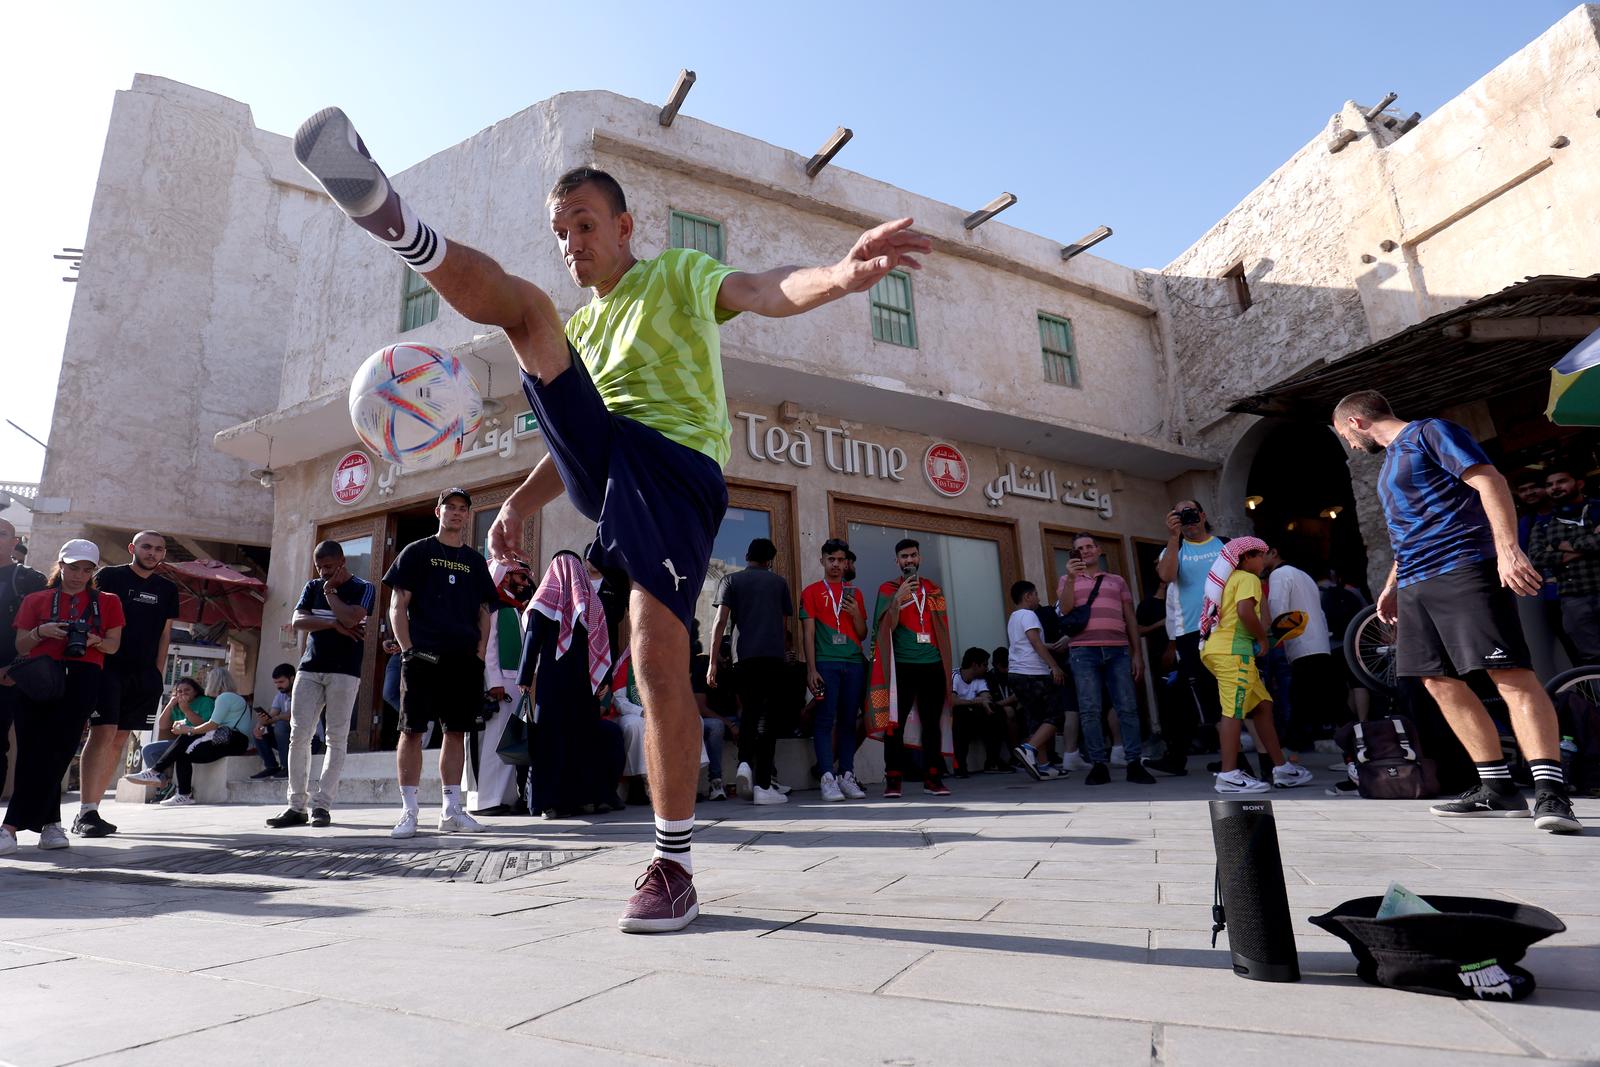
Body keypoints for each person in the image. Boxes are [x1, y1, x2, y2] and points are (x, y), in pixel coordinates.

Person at [295, 106, 928, 932]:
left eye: (585, 224)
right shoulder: (582, 326)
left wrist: (837, 278)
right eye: (560, 231)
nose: (572, 243)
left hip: (673, 470)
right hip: (608, 463)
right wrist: (515, 506)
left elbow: (766, 286)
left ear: (626, 226)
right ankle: (393, 219)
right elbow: (571, 441)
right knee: (528, 313)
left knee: (654, 652)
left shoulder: (679, 277)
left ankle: (673, 862)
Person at [1332, 390, 1581, 832]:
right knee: (1438, 682)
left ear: (1355, 423)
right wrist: (1391, 587)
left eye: (1344, 437)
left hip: (1463, 565)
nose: (1350, 447)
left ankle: (1551, 793)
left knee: (1508, 674)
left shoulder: (1431, 432)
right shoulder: (1390, 463)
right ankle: (1498, 788)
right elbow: (1407, 531)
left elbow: (1490, 481)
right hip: (1414, 581)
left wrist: (1507, 549)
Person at [382, 488, 499, 838]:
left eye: (463, 509)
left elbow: (484, 611)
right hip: (423, 656)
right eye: (451, 507)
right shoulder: (417, 552)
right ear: (438, 511)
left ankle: (451, 810)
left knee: (457, 732)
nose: (457, 513)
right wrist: (408, 648)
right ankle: (409, 811)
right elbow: (397, 604)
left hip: (463, 660)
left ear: (467, 516)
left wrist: (479, 653)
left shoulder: (475, 562)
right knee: (413, 730)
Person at [0, 540, 124, 854]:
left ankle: (10, 826)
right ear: (61, 564)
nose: (79, 574)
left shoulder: (107, 602)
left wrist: (94, 639)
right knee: (33, 752)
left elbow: (113, 646)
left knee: (59, 751)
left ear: (94, 571)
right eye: (73, 567)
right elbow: (21, 646)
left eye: (87, 569)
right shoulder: (37, 599)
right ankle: (51, 825)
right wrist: (43, 632)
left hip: (83, 676)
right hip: (39, 676)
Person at [265, 541, 376, 830]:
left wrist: (331, 595)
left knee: (336, 739)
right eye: (320, 567)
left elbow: (354, 616)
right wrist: (333, 625)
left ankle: (322, 805)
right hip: (310, 668)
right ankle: (295, 806)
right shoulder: (311, 586)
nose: (324, 572)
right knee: (298, 736)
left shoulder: (363, 587)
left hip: (345, 671)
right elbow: (298, 620)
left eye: (329, 566)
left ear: (342, 561)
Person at [76, 531, 179, 838]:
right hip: (107, 667)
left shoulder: (167, 588)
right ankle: (85, 811)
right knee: (103, 733)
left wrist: (157, 673)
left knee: (120, 739)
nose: (152, 552)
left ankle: (93, 809)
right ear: (133, 548)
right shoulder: (109, 576)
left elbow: (165, 633)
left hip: (144, 675)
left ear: (163, 554)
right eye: (146, 546)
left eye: (158, 549)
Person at [1198, 538, 1315, 794]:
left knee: (1262, 706)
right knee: (1233, 711)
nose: (1264, 561)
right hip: (1234, 653)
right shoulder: (1248, 579)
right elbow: (1244, 612)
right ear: (1247, 557)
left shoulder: (1228, 580)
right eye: (1260, 555)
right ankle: (1228, 776)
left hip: (1216, 649)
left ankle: (1282, 768)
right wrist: (1263, 638)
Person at [522, 551, 627, 819]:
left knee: (551, 739)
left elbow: (532, 641)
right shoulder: (591, 604)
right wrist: (604, 679)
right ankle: (584, 799)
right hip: (584, 684)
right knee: (583, 737)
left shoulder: (543, 601)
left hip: (553, 682)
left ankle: (551, 803)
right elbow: (602, 646)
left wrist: (524, 678)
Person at [1064, 534, 1156, 785]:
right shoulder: (1066, 579)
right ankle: (1098, 765)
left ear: (1099, 550)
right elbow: (1065, 609)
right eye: (1079, 548)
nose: (1085, 551)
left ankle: (1134, 763)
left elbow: (1130, 619)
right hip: (1083, 651)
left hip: (1118, 650)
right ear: (1074, 554)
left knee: (1127, 707)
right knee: (1089, 709)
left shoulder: (1117, 581)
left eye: (1089, 546)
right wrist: (1072, 578)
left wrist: (1138, 653)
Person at [708, 539, 794, 805]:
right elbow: (782, 626)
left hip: (742, 657)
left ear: (747, 556)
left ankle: (744, 763)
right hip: (772, 657)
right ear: (770, 560)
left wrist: (712, 662)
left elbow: (720, 621)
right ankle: (764, 785)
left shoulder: (730, 581)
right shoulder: (779, 583)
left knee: (749, 711)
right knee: (767, 719)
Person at [868, 539, 954, 797]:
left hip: (932, 665)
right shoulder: (888, 588)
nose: (909, 560)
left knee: (931, 724)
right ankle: (893, 779)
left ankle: (933, 777)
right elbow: (885, 628)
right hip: (902, 667)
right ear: (897, 561)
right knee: (894, 724)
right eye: (903, 557)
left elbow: (941, 628)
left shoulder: (934, 589)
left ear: (920, 558)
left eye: (913, 555)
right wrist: (898, 599)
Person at [1147, 499, 1226, 776]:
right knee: (1207, 698)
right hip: (1192, 634)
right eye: (1180, 515)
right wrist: (1172, 537)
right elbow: (1167, 577)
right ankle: (1231, 761)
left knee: (1233, 695)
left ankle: (1239, 760)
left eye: (1191, 512)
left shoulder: (1225, 545)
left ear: (1203, 515)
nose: (1188, 518)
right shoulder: (1174, 549)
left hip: (1227, 630)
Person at [799, 538, 869, 801]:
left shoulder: (856, 593)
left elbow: (861, 634)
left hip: (853, 662)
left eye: (841, 560)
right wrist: (811, 669)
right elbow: (808, 633)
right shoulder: (811, 592)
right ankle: (827, 777)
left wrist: (856, 615)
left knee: (849, 721)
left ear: (846, 562)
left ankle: (847, 775)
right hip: (826, 663)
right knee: (825, 719)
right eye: (831, 559)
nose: (836, 565)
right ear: (822, 561)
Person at [1263, 548, 1349, 750]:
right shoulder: (1303, 575)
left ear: (1274, 553)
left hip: (1302, 645)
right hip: (1318, 642)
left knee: (1307, 700)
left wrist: (1268, 637)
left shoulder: (1279, 574)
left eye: (1260, 554)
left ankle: (1294, 751)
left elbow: (1277, 609)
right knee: (1325, 698)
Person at [469, 559, 533, 816]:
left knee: (507, 743)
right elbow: (489, 649)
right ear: (506, 577)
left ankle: (504, 798)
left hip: (512, 684)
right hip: (499, 685)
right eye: (521, 578)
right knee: (494, 743)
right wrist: (493, 682)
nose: (525, 584)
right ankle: (486, 800)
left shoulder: (513, 607)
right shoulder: (493, 607)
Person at [142, 668, 254, 806]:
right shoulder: (231, 697)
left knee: (186, 737)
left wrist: (190, 730)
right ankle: (183, 794)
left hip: (233, 740)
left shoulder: (225, 697)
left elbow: (212, 725)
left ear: (214, 682)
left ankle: (155, 771)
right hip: (231, 740)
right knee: (183, 753)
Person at [1528, 464, 1600, 664]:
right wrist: (1589, 545)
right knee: (1592, 658)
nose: (1555, 487)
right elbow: (1536, 557)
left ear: (1579, 483)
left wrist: (1561, 545)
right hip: (1573, 600)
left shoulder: (1597, 509)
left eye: (1561, 481)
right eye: (1550, 484)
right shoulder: (1543, 523)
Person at [0, 518, 46, 802]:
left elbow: (40, 630)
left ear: (14, 542)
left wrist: (15, 667)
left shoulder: (30, 580)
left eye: (2, 534)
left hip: (8, 677)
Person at [1006, 580, 1068, 782]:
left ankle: (1043, 766)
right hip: (1033, 674)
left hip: (1016, 674)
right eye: (1036, 594)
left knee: (1037, 719)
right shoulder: (1029, 615)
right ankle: (1028, 748)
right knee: (1056, 716)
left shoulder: (1014, 617)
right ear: (1027, 597)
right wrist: (1054, 666)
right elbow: (1034, 642)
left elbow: (1029, 643)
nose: (1038, 599)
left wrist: (1049, 646)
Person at [950, 647, 999, 778]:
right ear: (974, 665)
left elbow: (986, 697)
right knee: (961, 714)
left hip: (973, 716)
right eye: (984, 665)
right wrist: (975, 701)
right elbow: (952, 702)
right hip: (956, 718)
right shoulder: (955, 676)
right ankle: (960, 765)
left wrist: (984, 703)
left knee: (996, 714)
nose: (986, 668)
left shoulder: (980, 679)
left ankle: (993, 761)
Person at [251, 664, 295, 780]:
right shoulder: (280, 696)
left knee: (280, 726)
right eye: (276, 683)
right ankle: (271, 766)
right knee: (260, 730)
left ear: (292, 678)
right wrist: (260, 724)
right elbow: (272, 714)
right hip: (289, 741)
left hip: (310, 741)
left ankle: (286, 767)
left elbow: (292, 716)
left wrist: (274, 719)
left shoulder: (302, 693)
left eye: (281, 682)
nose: (278, 686)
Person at [986, 646, 1019, 772]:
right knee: (1008, 712)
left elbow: (1019, 695)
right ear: (995, 664)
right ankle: (1016, 756)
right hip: (1000, 711)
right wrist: (1003, 703)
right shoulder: (989, 677)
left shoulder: (1014, 674)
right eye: (1003, 665)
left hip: (1014, 708)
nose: (1006, 668)